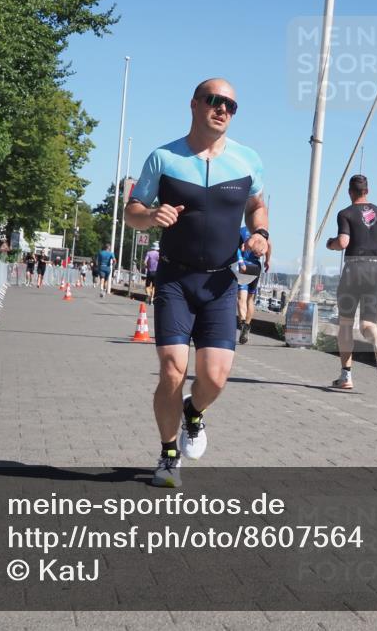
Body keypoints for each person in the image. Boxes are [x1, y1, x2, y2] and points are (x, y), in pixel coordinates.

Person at [124, 78, 268, 488]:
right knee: (173, 370)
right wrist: (151, 217)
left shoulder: (247, 161)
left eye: (231, 106)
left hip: (221, 283)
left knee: (215, 376)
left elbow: (257, 206)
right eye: (215, 101)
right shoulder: (163, 157)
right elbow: (132, 210)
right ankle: (168, 456)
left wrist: (262, 234)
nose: (222, 109)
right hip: (174, 278)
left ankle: (193, 413)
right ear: (194, 104)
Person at [326, 174, 377, 390]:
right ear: (367, 191)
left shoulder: (346, 213)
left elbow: (343, 242)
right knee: (368, 324)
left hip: (354, 269)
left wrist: (330, 244)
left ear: (350, 192)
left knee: (346, 324)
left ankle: (346, 376)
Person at [235, 226, 270, 345]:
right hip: (256, 268)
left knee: (241, 298)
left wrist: (240, 262)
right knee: (250, 299)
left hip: (244, 266)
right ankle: (248, 326)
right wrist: (267, 261)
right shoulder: (264, 235)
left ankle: (243, 324)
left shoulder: (243, 231)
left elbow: (236, 248)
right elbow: (269, 246)